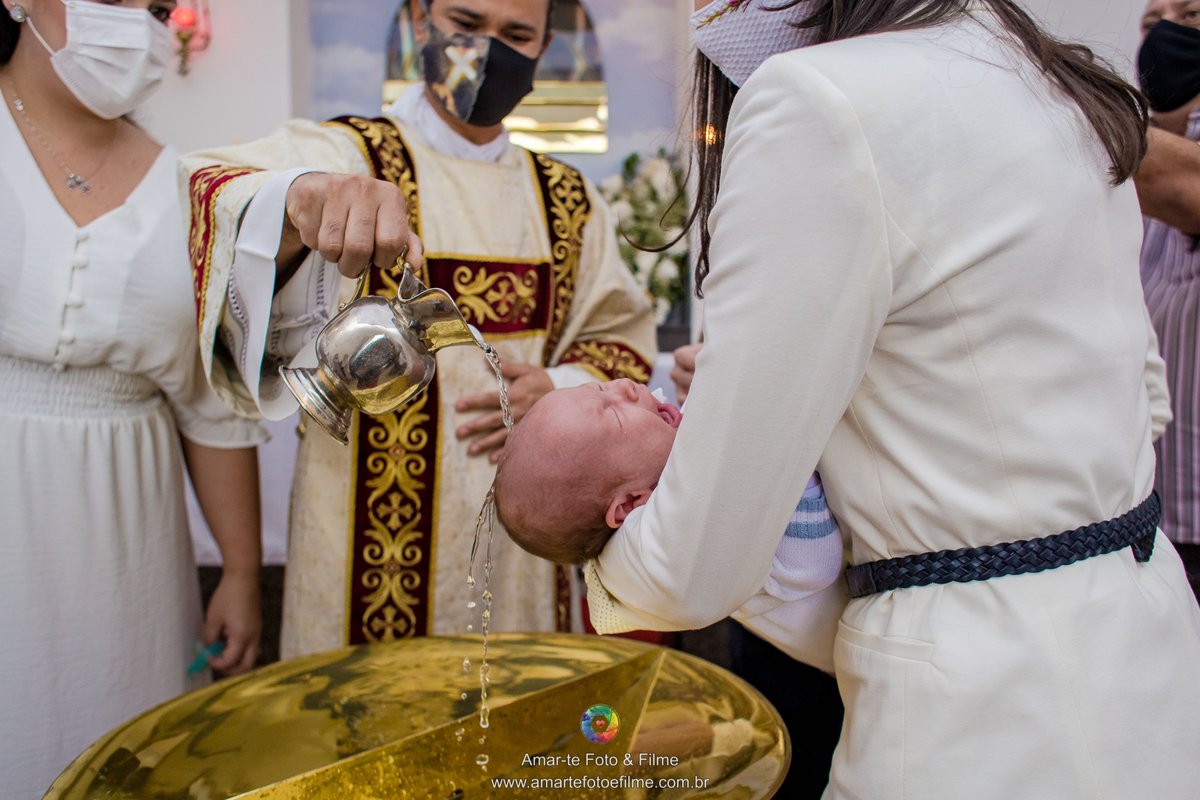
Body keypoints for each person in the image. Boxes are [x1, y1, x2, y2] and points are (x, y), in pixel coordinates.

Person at [583, 0, 1200, 798]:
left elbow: (699, 563)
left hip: (976, 705)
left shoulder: (814, 99)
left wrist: (595, 551)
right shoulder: (1062, 82)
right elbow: (1147, 404)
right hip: (1144, 639)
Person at [178, 0, 655, 656]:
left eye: (516, 35)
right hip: (357, 549)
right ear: (423, 23)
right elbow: (206, 184)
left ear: (543, 48)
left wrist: (561, 384)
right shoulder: (349, 153)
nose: (488, 51)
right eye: (466, 22)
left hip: (521, 552)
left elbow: (623, 333)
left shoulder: (569, 200)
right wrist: (300, 198)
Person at [0, 1, 266, 796]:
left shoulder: (193, 192)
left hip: (126, 534)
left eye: (155, 9)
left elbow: (211, 404)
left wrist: (243, 573)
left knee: (115, 740)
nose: (140, 25)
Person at [1138, 0, 1200, 602]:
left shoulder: (1154, 168)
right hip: (1159, 519)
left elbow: (1173, 182)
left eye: (1190, 19)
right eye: (1152, 24)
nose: (1163, 37)